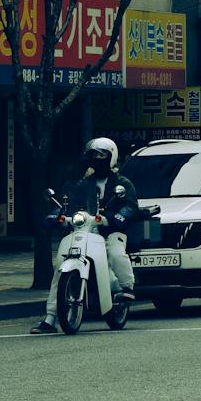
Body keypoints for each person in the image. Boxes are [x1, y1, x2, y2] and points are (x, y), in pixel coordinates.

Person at [31, 138, 141, 334]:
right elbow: (68, 203)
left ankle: (127, 287)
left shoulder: (122, 183)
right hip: (84, 230)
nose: (96, 159)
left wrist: (116, 217)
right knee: (59, 269)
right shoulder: (83, 184)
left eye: (101, 155)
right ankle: (50, 318)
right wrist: (56, 215)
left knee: (115, 252)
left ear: (111, 157)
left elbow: (130, 206)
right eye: (93, 155)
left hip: (110, 231)